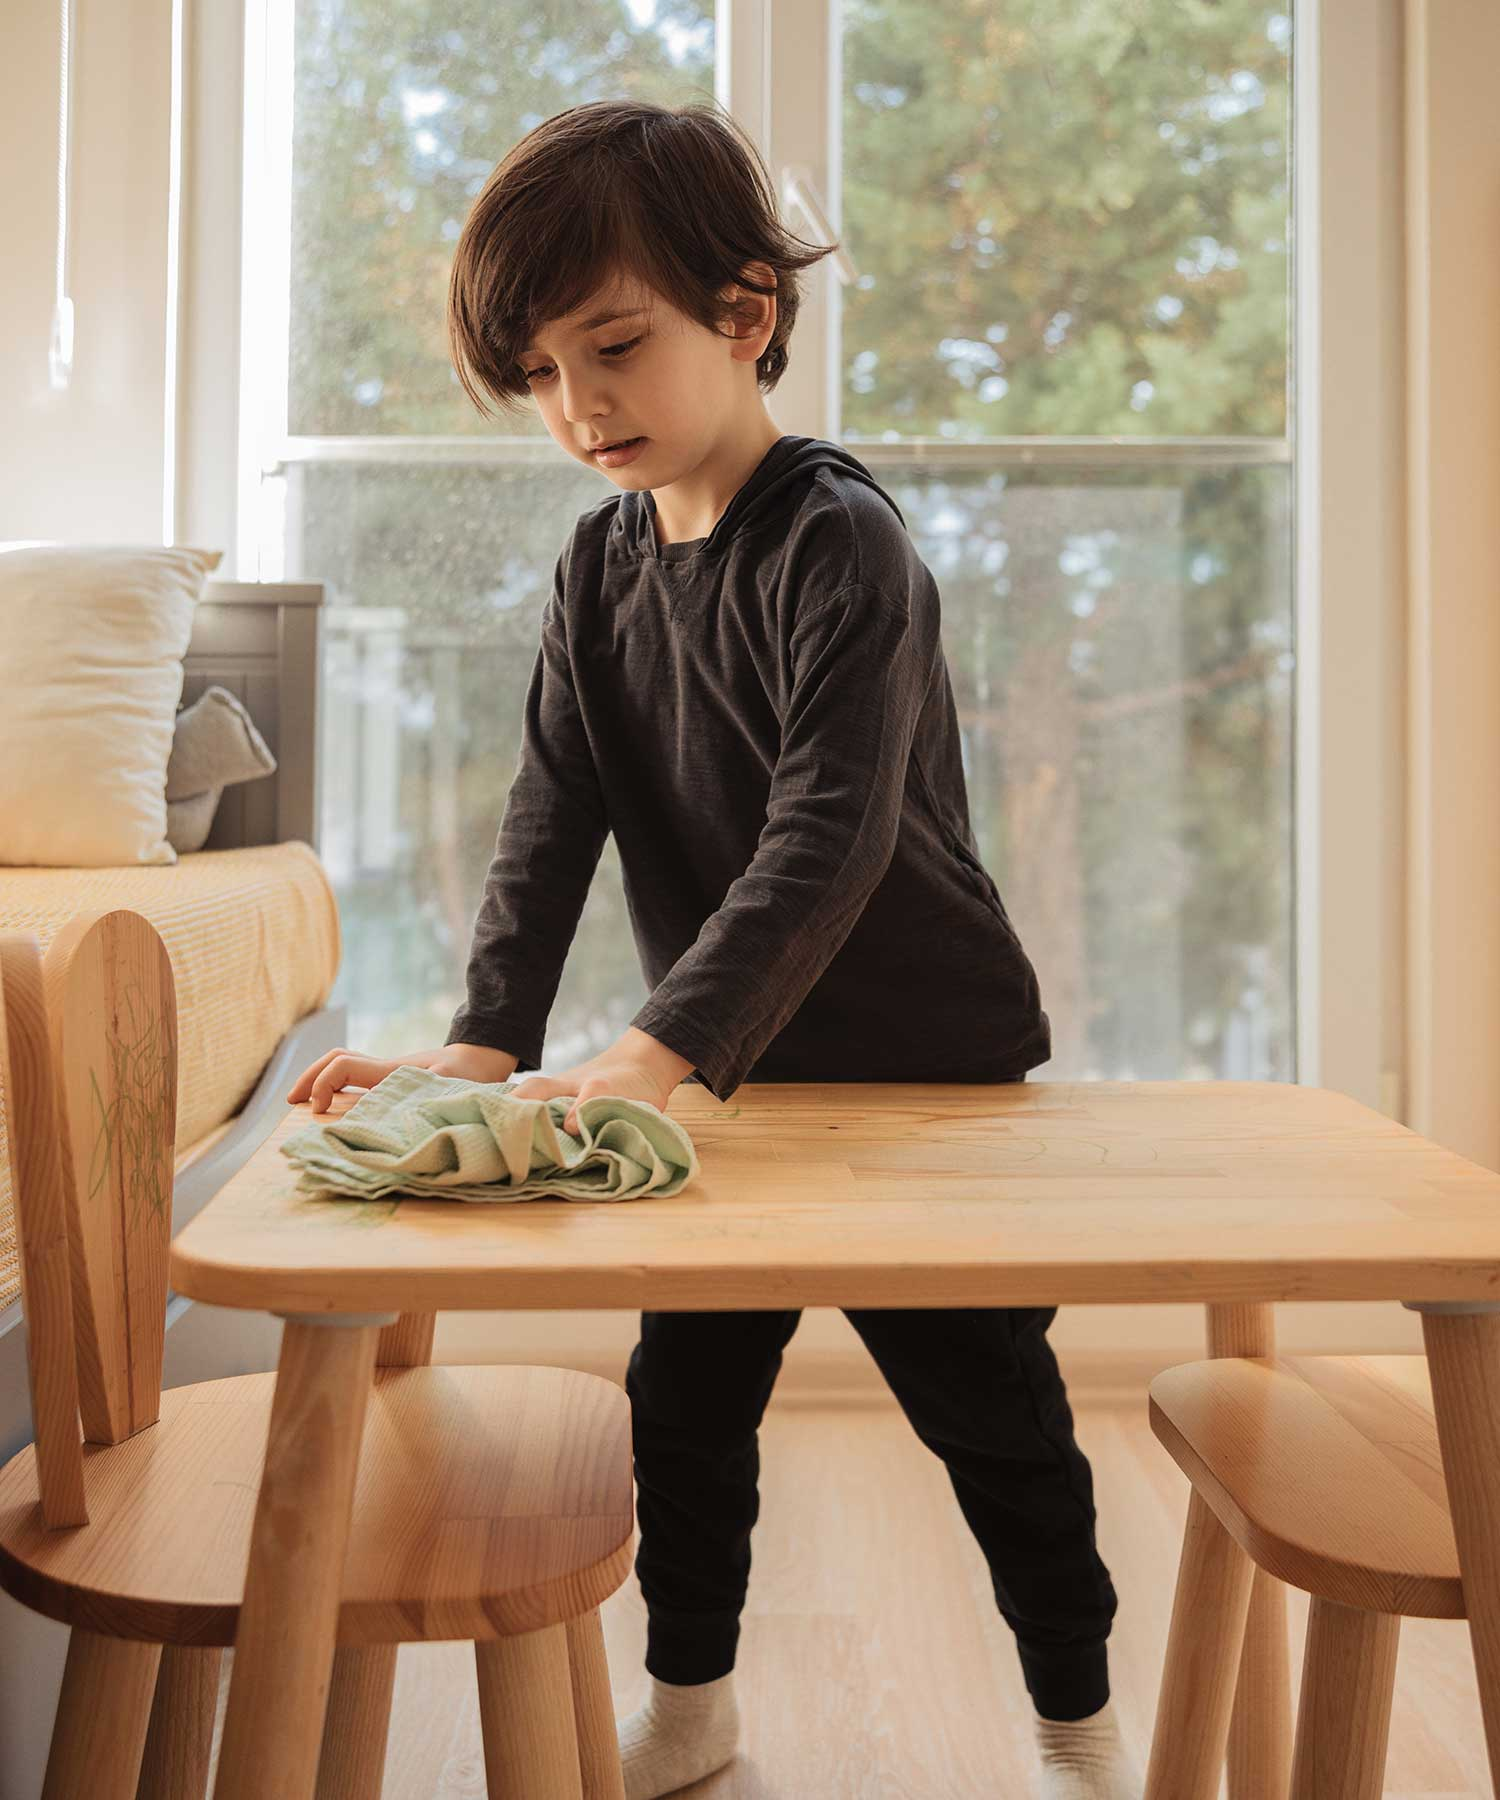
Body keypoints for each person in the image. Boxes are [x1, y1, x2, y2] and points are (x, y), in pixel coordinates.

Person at [290, 97, 1133, 1800]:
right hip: (725, 1087)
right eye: (537, 374)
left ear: (745, 315)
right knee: (684, 1412)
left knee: (1000, 1428)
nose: (579, 405)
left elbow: (829, 839)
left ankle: (1078, 1728)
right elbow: (551, 820)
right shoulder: (596, 572)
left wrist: (638, 1058)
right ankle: (695, 1706)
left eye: (614, 346)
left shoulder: (845, 545)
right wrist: (478, 1047)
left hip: (925, 1077)